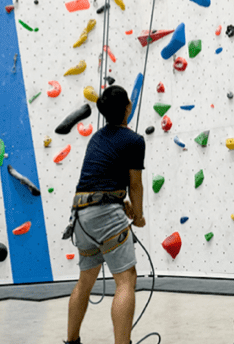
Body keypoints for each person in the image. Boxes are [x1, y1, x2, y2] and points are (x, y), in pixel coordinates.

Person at [64, 85, 146, 344]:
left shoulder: (96, 138)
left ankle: (72, 341)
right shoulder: (134, 140)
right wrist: (139, 216)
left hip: (80, 215)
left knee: (85, 281)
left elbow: (99, 177)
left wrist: (121, 203)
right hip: (105, 216)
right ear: (127, 108)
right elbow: (135, 184)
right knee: (125, 280)